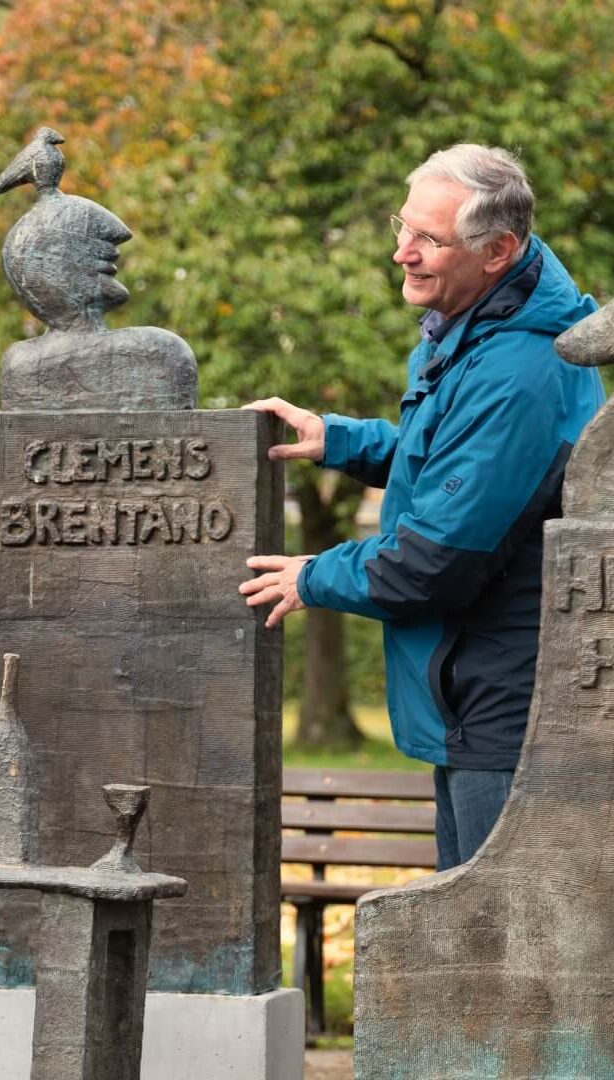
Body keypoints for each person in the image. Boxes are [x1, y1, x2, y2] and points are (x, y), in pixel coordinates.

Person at [239, 144, 604, 871]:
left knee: (489, 943)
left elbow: (436, 563)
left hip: (502, 707)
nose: (402, 253)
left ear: (498, 250)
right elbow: (456, 466)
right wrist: (341, 440)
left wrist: (312, 577)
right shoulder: (479, 325)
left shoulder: (517, 371)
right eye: (401, 228)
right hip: (467, 697)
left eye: (428, 239)